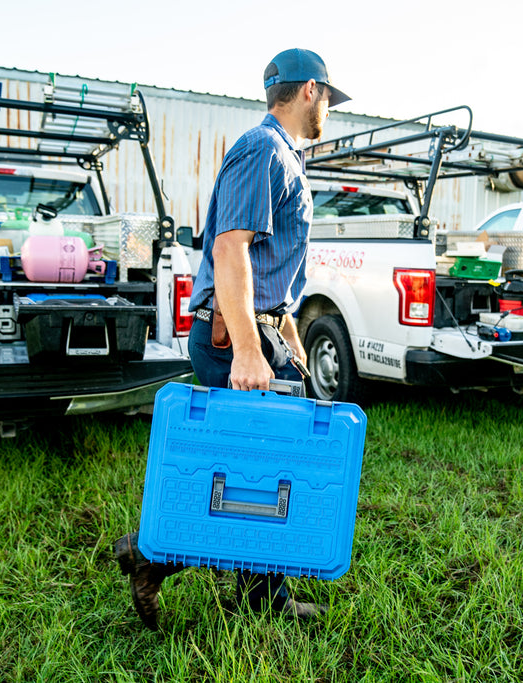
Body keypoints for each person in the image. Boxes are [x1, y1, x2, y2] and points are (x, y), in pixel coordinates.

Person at [114, 48, 350, 630]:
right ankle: (150, 555)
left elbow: (270, 269)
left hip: (260, 330)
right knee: (241, 470)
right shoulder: (263, 150)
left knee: (262, 466)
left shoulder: (283, 156)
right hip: (231, 337)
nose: (329, 110)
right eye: (328, 98)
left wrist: (284, 335)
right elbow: (231, 248)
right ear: (310, 91)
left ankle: (258, 594)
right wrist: (247, 347)